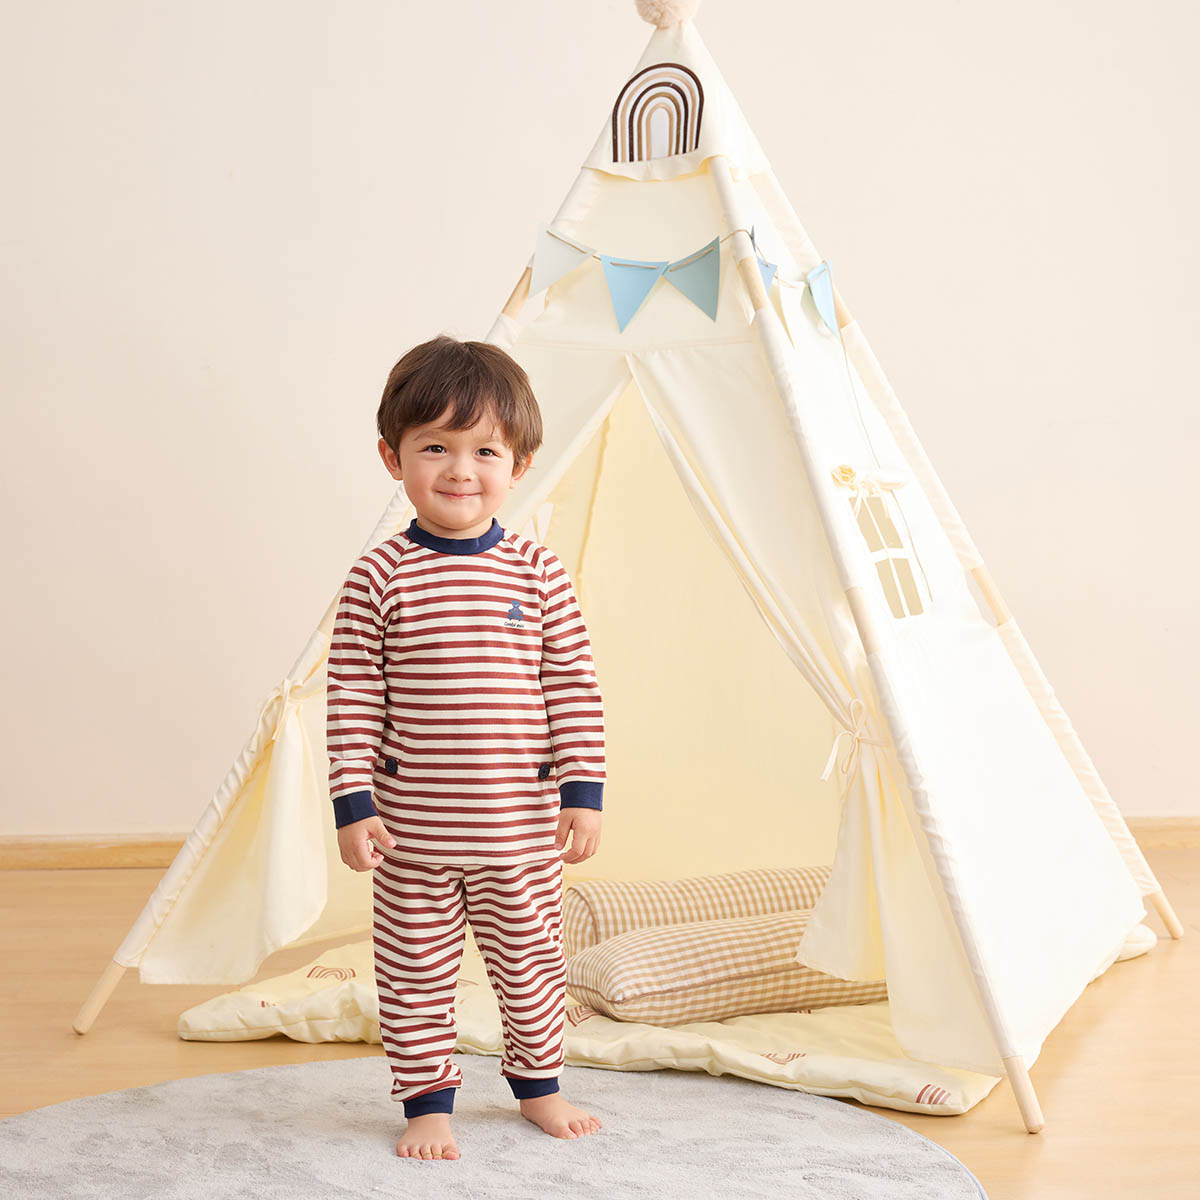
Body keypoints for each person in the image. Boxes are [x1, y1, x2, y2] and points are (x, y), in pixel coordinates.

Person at [325, 333, 606, 1161]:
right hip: (412, 835)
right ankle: (427, 1105)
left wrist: (583, 794)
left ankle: (540, 1089)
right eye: (435, 447)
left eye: (485, 450)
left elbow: (574, 688)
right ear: (393, 457)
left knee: (533, 967)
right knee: (413, 973)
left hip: (520, 832)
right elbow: (351, 700)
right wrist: (353, 805)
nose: (459, 469)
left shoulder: (539, 575)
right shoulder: (378, 577)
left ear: (518, 465)